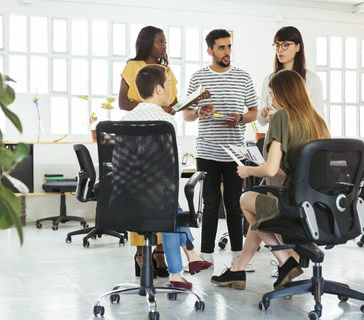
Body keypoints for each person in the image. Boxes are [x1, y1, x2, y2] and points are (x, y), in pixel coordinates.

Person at [210, 69, 331, 290]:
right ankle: (239, 269)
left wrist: (248, 171)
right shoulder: (318, 121)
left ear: (284, 93)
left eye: (272, 93)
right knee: (259, 211)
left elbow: (271, 169)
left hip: (293, 204)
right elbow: (303, 169)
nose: (272, 98)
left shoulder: (283, 116)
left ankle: (285, 261)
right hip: (319, 207)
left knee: (246, 198)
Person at [119, 64, 212, 289]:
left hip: (126, 201)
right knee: (169, 204)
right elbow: (172, 169)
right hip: (159, 201)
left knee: (167, 202)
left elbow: (122, 165)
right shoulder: (167, 120)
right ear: (159, 89)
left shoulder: (124, 120)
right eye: (169, 84)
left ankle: (183, 268)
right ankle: (186, 258)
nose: (172, 90)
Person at [183, 29, 259, 270]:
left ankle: (239, 255)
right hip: (207, 151)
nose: (227, 52)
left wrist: (239, 118)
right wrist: (198, 112)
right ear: (210, 51)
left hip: (235, 152)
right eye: (221, 48)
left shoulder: (243, 77)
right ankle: (206, 255)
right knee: (211, 203)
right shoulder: (198, 78)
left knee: (235, 204)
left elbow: (254, 112)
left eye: (229, 47)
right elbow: (186, 114)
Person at [257, 26, 325, 278]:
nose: (280, 49)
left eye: (285, 44)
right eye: (276, 45)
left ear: (298, 46)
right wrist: (264, 115)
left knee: (281, 204)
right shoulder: (268, 79)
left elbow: (317, 116)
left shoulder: (311, 79)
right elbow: (263, 123)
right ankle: (286, 261)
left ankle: (290, 260)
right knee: (271, 205)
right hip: (277, 144)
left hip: (301, 149)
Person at [118, 26, 178, 275]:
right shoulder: (133, 66)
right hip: (141, 131)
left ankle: (161, 253)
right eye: (159, 43)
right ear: (147, 43)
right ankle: (141, 252)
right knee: (140, 184)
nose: (164, 46)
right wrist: (153, 107)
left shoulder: (167, 70)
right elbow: (124, 102)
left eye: (165, 42)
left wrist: (175, 106)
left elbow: (173, 100)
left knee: (162, 186)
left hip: (162, 128)